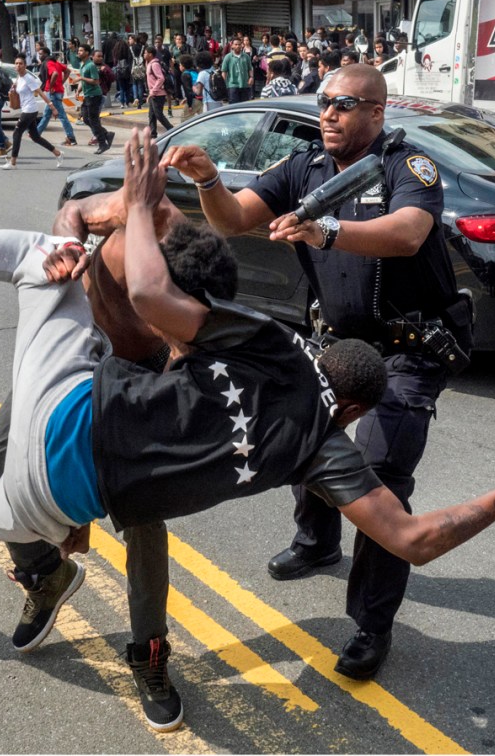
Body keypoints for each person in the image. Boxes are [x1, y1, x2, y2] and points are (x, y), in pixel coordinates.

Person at [0, 133, 495, 698]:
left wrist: (125, 203)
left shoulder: (272, 344)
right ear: (349, 410)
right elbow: (413, 538)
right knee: (2, 507)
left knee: (40, 258)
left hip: (62, 422)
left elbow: (150, 296)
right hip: (60, 499)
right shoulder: (321, 449)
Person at [164, 65, 472, 681]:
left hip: (408, 350)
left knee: (383, 479)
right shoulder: (304, 167)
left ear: (377, 113)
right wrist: (208, 180)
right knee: (308, 445)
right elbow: (232, 219)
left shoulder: (406, 169)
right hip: (335, 342)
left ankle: (370, 623)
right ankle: (317, 541)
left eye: (345, 104)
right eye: (324, 104)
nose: (328, 114)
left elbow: (409, 235)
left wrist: (324, 231)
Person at [0, 187, 186, 731]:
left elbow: (183, 361)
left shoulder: (179, 258)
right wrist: (68, 240)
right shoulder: (113, 211)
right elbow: (70, 213)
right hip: (65, 360)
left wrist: (80, 502)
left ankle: (149, 652)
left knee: (140, 512)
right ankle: (46, 573)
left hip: (136, 380)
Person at [2, 55, 63, 171]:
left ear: (25, 65)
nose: (18, 65)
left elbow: (40, 93)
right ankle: (58, 153)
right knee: (35, 137)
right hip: (26, 109)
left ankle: (13, 162)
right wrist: (14, 88)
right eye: (16, 63)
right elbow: (18, 87)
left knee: (16, 133)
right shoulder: (19, 78)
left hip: (30, 110)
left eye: (20, 63)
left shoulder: (28, 78)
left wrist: (52, 107)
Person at [35, 46, 79, 148]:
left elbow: (54, 74)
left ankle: (71, 138)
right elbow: (67, 71)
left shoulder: (49, 63)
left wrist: (51, 86)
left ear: (46, 54)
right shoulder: (55, 62)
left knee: (62, 116)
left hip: (53, 93)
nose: (39, 56)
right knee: (46, 115)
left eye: (41, 54)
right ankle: (36, 134)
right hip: (56, 92)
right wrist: (61, 82)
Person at [76, 43, 114, 155]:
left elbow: (96, 81)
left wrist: (82, 78)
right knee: (85, 118)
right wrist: (78, 90)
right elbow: (83, 80)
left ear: (87, 53)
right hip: (87, 95)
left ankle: (103, 144)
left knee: (93, 120)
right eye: (79, 50)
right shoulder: (82, 64)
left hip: (94, 96)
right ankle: (106, 134)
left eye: (81, 51)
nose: (79, 52)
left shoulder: (91, 66)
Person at [145, 47, 174, 139]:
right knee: (151, 115)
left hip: (158, 94)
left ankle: (171, 130)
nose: (144, 55)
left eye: (145, 53)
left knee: (158, 115)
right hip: (153, 93)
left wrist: (153, 91)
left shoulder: (154, 64)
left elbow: (161, 78)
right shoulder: (149, 63)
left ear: (150, 54)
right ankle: (153, 134)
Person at [221, 37, 253, 104]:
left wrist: (251, 77)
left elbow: (250, 69)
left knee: (244, 108)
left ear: (242, 45)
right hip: (232, 86)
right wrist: (223, 86)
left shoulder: (246, 57)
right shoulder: (228, 57)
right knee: (233, 107)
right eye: (235, 44)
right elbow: (224, 72)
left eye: (239, 44)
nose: (237, 46)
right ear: (232, 45)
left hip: (245, 85)